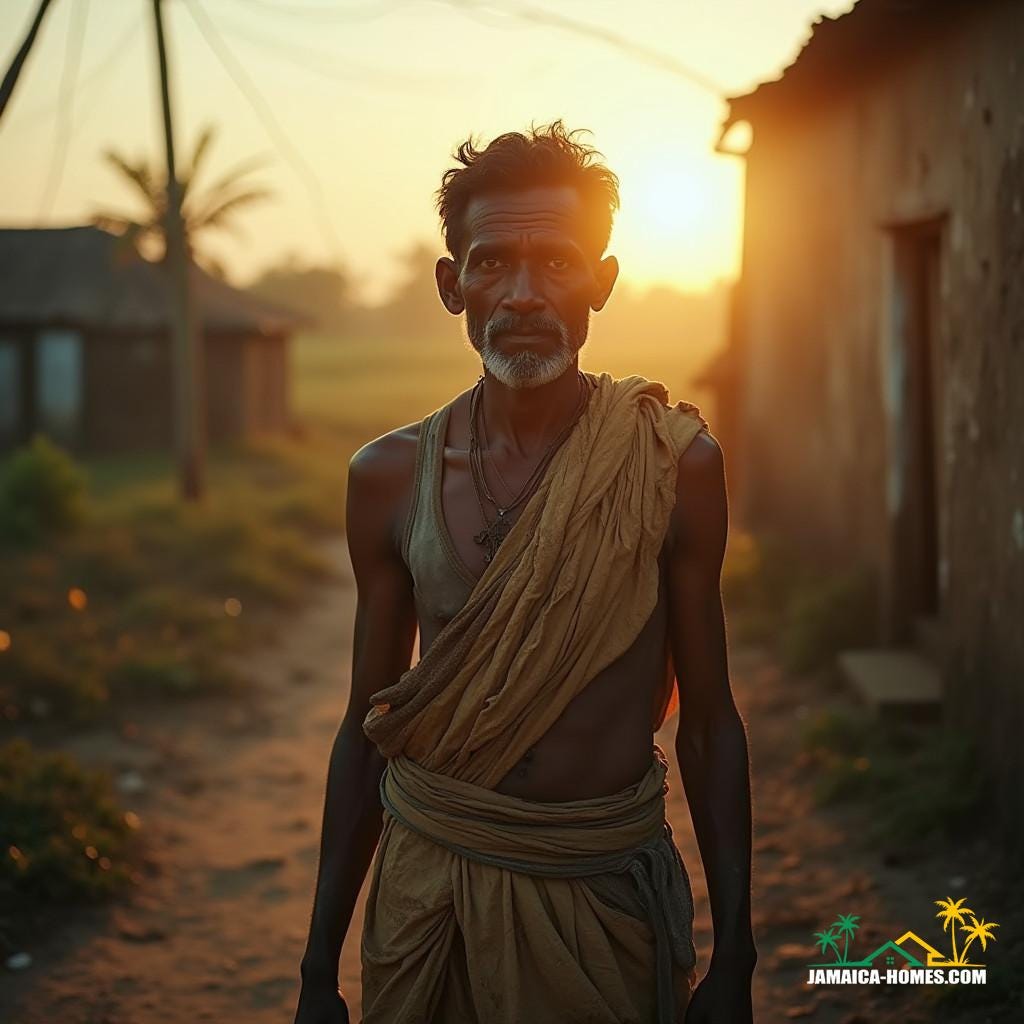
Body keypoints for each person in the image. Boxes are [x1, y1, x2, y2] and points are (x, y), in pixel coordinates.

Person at [293, 121, 756, 1024]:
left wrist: (736, 957)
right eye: (492, 263)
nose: (524, 295)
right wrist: (317, 971)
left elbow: (709, 724)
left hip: (602, 899)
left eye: (557, 263)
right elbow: (366, 726)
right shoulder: (388, 477)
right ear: (451, 284)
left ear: (601, 281)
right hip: (432, 902)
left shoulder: (672, 466)